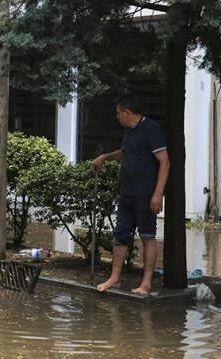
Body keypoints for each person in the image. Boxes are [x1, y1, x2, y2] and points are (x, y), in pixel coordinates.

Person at [92, 94, 170, 295]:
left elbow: (164, 161)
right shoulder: (129, 132)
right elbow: (126, 152)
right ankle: (115, 278)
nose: (116, 117)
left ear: (127, 113)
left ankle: (146, 283)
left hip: (145, 194)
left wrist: (158, 194)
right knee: (120, 236)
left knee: (147, 236)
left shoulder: (150, 129)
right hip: (127, 192)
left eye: (118, 113)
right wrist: (105, 157)